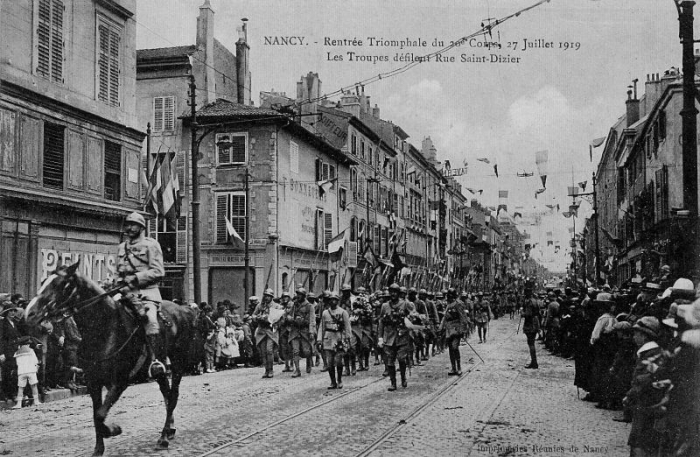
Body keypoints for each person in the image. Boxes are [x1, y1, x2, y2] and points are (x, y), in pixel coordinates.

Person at [116, 211, 166, 378]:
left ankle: (155, 361)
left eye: (132, 225)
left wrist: (136, 278)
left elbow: (158, 272)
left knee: (150, 320)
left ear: (141, 227)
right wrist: (116, 282)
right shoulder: (121, 247)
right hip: (124, 293)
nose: (129, 228)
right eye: (127, 225)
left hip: (146, 294)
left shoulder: (151, 245)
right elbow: (119, 271)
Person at [624, 316, 667, 457]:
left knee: (640, 443)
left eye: (636, 334)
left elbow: (643, 381)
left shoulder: (650, 355)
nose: (634, 337)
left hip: (646, 405)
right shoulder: (652, 353)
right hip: (648, 405)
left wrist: (629, 396)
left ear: (644, 335)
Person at [377, 283, 412, 391]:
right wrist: (380, 337)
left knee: (401, 359)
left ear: (398, 293)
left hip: (402, 337)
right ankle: (393, 383)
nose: (393, 294)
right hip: (389, 337)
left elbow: (412, 318)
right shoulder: (385, 306)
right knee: (390, 362)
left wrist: (406, 327)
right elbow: (381, 322)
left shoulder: (405, 304)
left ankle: (403, 378)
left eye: (395, 292)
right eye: (391, 291)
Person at [317, 293, 351, 389]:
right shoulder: (325, 313)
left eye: (335, 299)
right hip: (328, 339)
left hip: (339, 339)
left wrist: (348, 339)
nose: (333, 301)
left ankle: (339, 379)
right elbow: (321, 327)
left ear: (338, 301)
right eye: (331, 299)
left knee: (339, 361)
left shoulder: (343, 312)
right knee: (329, 362)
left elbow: (347, 327)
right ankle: (333, 381)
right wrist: (319, 340)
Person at [439, 288, 470, 376]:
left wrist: (462, 330)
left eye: (450, 295)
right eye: (448, 295)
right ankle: (453, 368)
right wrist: (441, 327)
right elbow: (445, 317)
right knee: (450, 349)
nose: (449, 297)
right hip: (449, 329)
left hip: (457, 329)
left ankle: (459, 367)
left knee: (455, 347)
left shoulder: (458, 304)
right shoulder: (448, 305)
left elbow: (462, 318)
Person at [252, 289, 282, 378]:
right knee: (263, 352)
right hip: (262, 330)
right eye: (265, 295)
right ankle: (266, 370)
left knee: (269, 350)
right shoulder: (260, 306)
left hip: (271, 330)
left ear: (272, 297)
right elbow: (253, 315)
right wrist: (257, 317)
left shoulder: (276, 306)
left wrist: (273, 321)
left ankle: (271, 370)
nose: (266, 297)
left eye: (268, 296)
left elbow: (280, 318)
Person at [286, 287, 315, 377]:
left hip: (304, 330)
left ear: (303, 296)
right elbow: (289, 314)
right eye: (297, 294)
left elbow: (312, 320)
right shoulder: (294, 305)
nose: (298, 296)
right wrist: (289, 318)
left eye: (300, 294)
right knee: (295, 351)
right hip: (295, 330)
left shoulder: (309, 306)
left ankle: (309, 360)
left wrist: (311, 332)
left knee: (306, 351)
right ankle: (297, 370)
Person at [12, 335, 41, 409]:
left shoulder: (17, 353)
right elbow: (35, 361)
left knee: (20, 388)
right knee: (34, 386)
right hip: (31, 370)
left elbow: (17, 363)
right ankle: (36, 401)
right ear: (28, 344)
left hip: (21, 372)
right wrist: (36, 367)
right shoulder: (31, 351)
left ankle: (19, 403)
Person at [521, 285, 540, 369]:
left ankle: (534, 362)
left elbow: (528, 314)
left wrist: (522, 313)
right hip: (536, 321)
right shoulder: (535, 300)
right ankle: (534, 361)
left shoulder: (529, 302)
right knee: (532, 342)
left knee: (531, 343)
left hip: (530, 323)